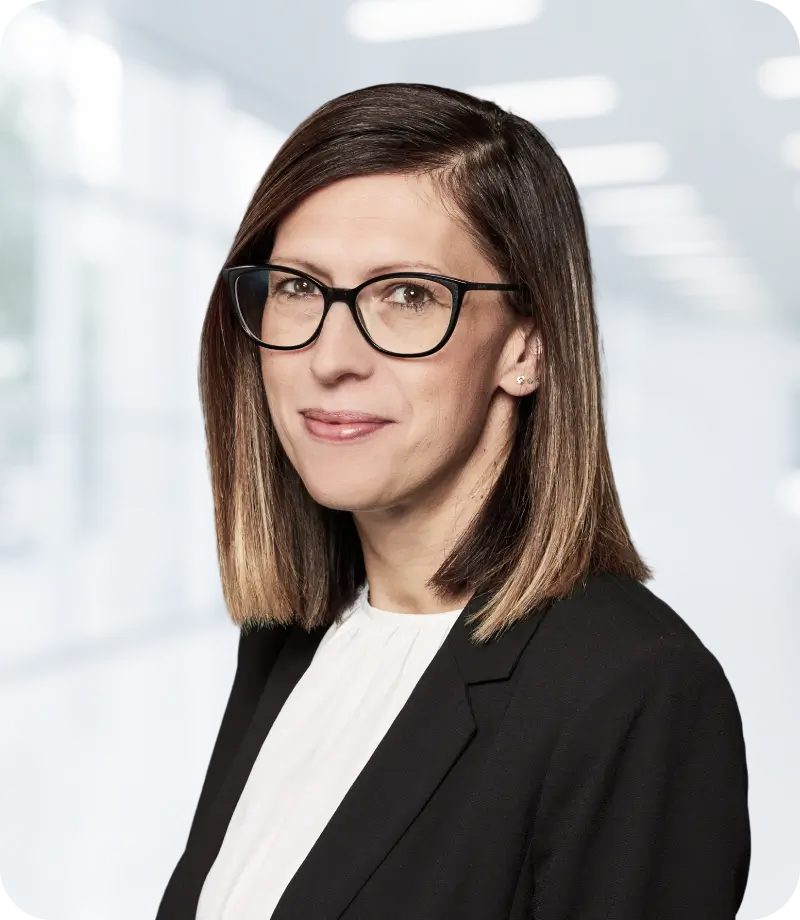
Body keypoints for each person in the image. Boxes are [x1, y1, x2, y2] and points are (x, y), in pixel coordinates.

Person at [155, 82, 750, 920]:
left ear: (527, 348)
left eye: (407, 295)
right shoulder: (290, 640)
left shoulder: (633, 691)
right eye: (297, 287)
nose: (330, 358)